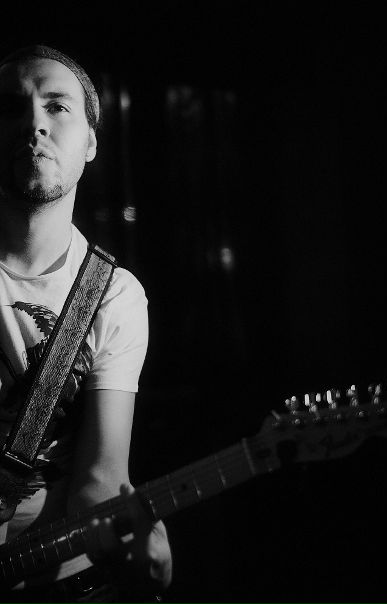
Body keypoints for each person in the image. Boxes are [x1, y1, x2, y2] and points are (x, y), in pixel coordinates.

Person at [0, 44, 172, 603]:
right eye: (11, 107)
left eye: (57, 106)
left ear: (92, 143)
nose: (34, 123)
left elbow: (98, 483)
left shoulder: (112, 296)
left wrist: (132, 550)